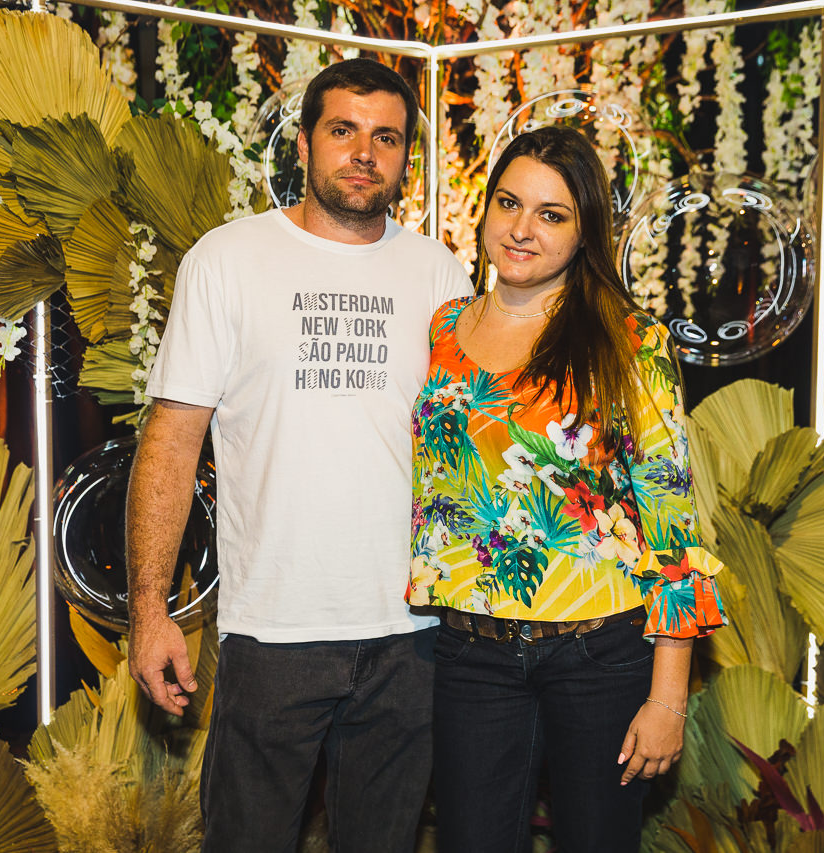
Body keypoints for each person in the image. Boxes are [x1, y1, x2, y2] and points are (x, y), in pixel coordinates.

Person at [126, 58, 472, 853]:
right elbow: (172, 441)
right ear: (307, 142)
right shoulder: (227, 259)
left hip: (412, 633)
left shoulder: (438, 272)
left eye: (386, 138)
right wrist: (150, 610)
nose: (364, 153)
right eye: (344, 130)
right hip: (272, 630)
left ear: (406, 156)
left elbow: (463, 448)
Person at [407, 126, 727, 853]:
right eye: (508, 203)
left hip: (600, 655)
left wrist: (667, 696)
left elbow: (673, 524)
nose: (521, 229)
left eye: (551, 214)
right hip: (471, 653)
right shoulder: (445, 328)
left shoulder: (630, 340)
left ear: (585, 232)